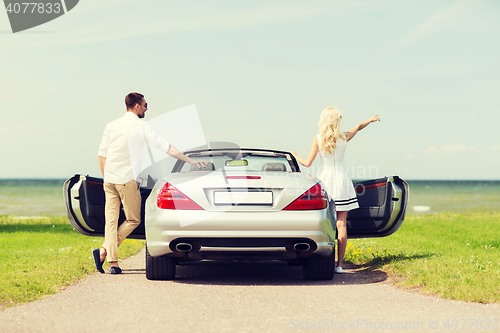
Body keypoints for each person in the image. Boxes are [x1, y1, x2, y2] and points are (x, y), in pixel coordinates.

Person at [93, 92, 208, 274]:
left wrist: (106, 176)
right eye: (145, 105)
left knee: (111, 222)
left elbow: (101, 155)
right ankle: (104, 251)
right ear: (137, 106)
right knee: (133, 219)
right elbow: (165, 146)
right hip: (126, 180)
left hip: (110, 179)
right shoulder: (141, 126)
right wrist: (188, 160)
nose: (147, 108)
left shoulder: (111, 126)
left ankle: (112, 263)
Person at [291, 107, 380, 273]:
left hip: (325, 180)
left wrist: (295, 154)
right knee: (341, 224)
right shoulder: (344, 137)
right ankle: (339, 265)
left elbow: (307, 163)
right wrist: (370, 119)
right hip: (341, 180)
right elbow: (359, 126)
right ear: (337, 120)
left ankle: (321, 258)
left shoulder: (318, 139)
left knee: (324, 221)